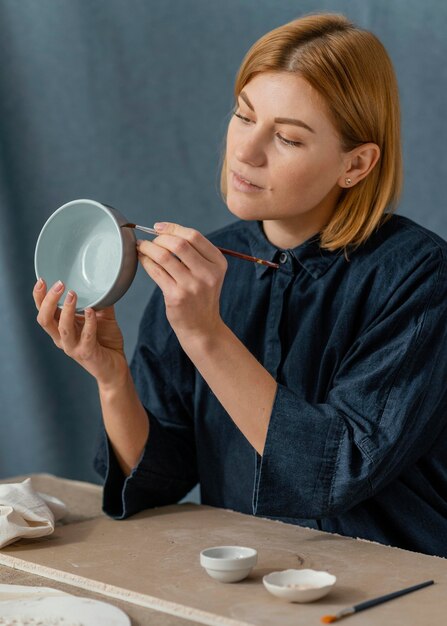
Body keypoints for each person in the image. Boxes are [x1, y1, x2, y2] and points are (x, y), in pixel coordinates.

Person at [33, 13, 447, 558]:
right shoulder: (200, 269)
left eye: (288, 138)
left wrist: (206, 335)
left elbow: (337, 470)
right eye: (243, 116)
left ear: (357, 163)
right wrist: (112, 378)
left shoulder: (419, 276)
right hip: (248, 586)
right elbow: (159, 478)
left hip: (397, 585)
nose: (246, 152)